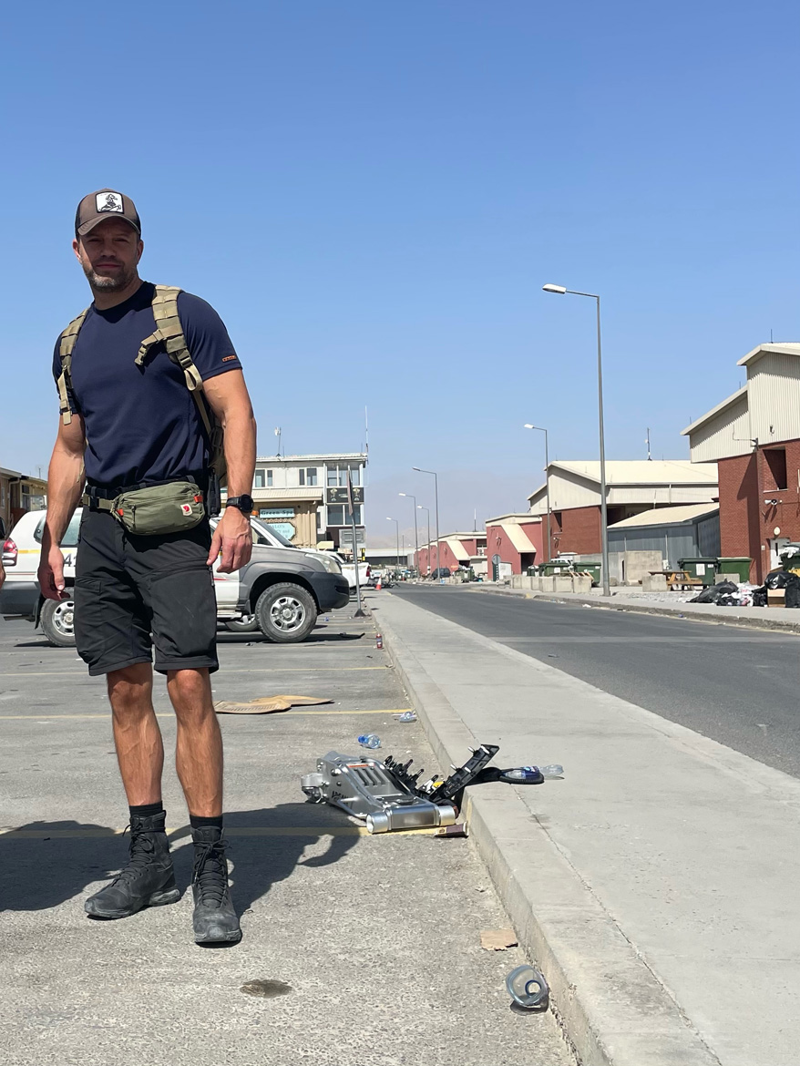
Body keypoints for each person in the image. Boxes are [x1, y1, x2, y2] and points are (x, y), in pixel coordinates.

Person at [38, 189, 256, 945]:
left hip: (174, 526)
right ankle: (148, 861)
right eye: (95, 238)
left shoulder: (184, 315)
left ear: (138, 244)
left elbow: (235, 410)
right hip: (101, 531)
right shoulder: (69, 343)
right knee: (125, 690)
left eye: (121, 235)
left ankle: (211, 870)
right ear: (76, 250)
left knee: (187, 681)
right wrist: (48, 542)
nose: (108, 248)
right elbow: (70, 449)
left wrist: (239, 505)